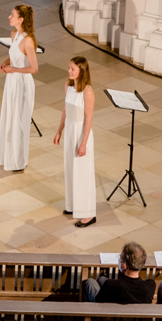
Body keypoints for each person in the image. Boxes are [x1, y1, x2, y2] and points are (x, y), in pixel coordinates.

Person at [0, 3, 38, 171]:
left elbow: (33, 68)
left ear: (21, 19)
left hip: (22, 84)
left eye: (12, 15)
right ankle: (6, 154)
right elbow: (13, 56)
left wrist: (13, 69)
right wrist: (6, 63)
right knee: (9, 116)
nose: (9, 17)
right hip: (12, 81)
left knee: (19, 120)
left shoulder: (28, 40)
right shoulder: (14, 35)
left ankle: (18, 160)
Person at [56, 55, 97, 227]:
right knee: (70, 169)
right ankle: (73, 205)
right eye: (69, 68)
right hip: (70, 132)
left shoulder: (87, 91)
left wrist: (83, 143)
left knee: (82, 172)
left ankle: (88, 214)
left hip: (81, 133)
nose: (69, 71)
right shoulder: (68, 86)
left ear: (82, 71)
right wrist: (59, 131)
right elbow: (65, 110)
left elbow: (88, 119)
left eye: (73, 69)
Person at [84, 242, 154, 303]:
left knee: (90, 282)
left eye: (120, 258)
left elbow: (99, 301)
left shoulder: (111, 285)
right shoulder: (150, 286)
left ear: (124, 265)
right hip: (137, 317)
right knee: (101, 279)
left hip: (108, 316)